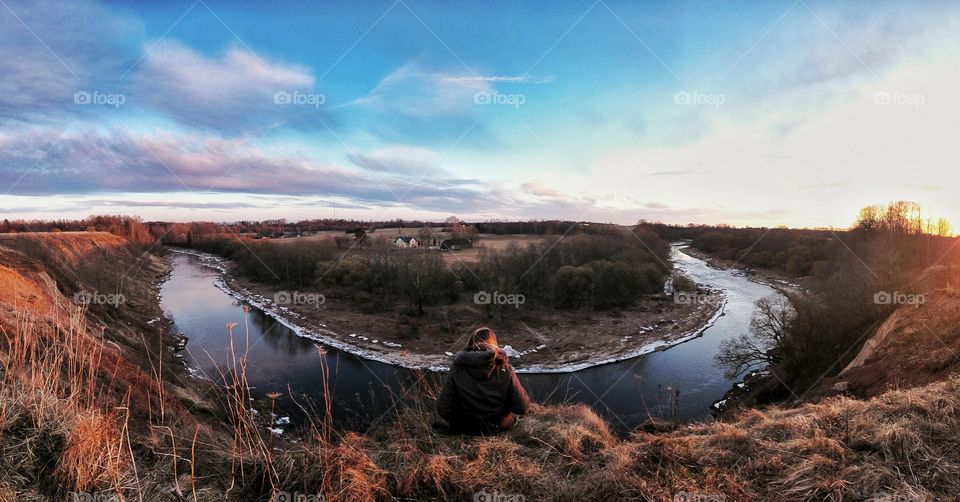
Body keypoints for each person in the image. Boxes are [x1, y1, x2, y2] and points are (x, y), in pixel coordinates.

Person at [436, 327, 531, 435]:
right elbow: (522, 407)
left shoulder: (457, 368)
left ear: (471, 343)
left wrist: (459, 420)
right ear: (494, 344)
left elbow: (443, 408)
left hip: (464, 428)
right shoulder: (505, 369)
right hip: (496, 427)